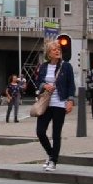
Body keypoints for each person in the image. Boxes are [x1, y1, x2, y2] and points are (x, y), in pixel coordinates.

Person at [35, 40, 76, 171]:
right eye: (54, 49)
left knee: (56, 133)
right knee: (40, 131)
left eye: (59, 49)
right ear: (48, 53)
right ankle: (51, 154)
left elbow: (71, 85)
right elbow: (38, 83)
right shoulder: (43, 67)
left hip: (59, 103)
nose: (58, 51)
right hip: (45, 103)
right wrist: (44, 85)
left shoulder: (66, 66)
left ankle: (53, 161)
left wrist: (70, 101)